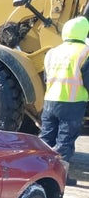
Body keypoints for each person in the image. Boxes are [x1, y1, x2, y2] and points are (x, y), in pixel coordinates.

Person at [39, 16, 89, 187]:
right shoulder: (85, 52)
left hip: (50, 101)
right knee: (65, 142)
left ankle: (39, 173)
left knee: (45, 139)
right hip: (73, 103)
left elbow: (46, 78)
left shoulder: (53, 52)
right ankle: (60, 178)